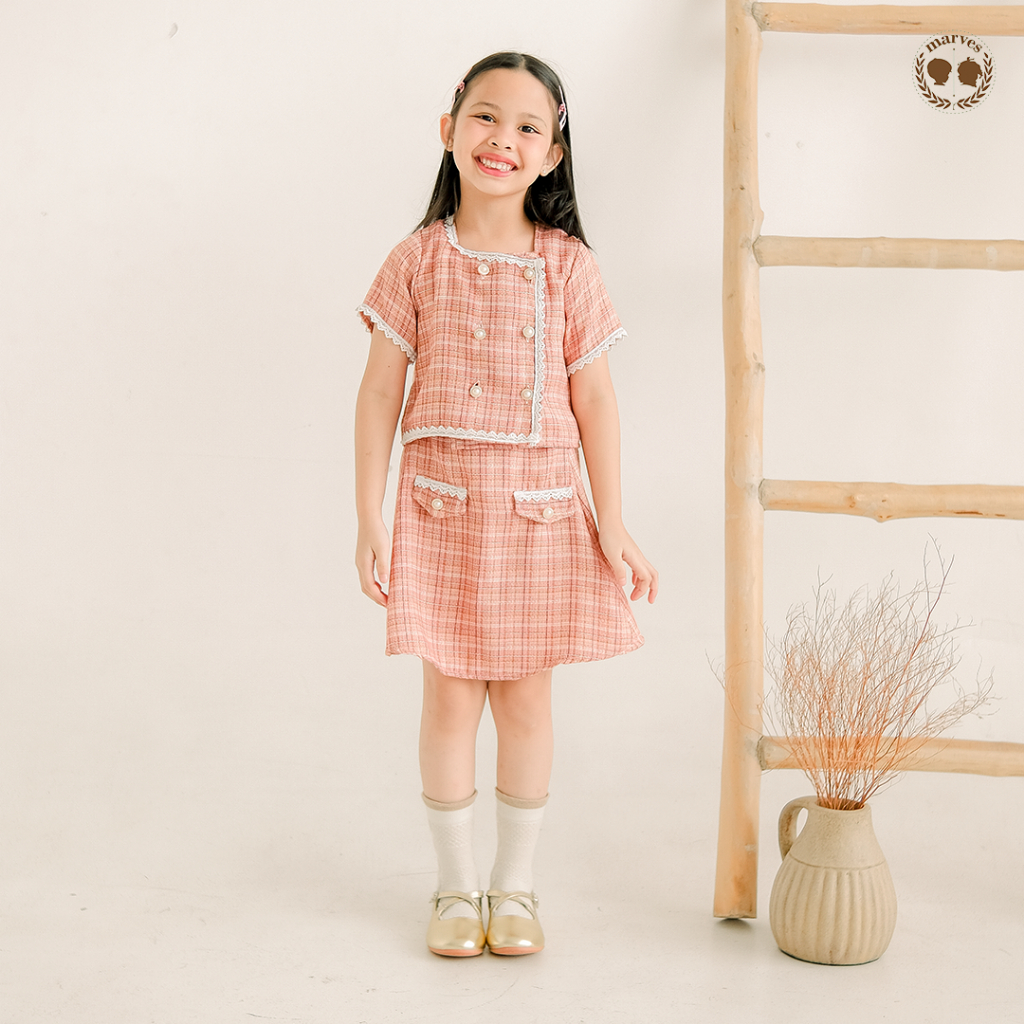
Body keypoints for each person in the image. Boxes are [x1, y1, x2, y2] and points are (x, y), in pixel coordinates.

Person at [354, 51, 657, 958]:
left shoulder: (569, 267)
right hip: (440, 516)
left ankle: (514, 887)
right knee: (449, 702)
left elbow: (595, 400)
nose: (503, 140)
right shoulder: (415, 259)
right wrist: (368, 514)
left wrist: (613, 522)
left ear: (553, 155)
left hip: (541, 518)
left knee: (526, 703)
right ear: (449, 129)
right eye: (487, 117)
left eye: (529, 127)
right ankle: (455, 888)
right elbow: (379, 392)